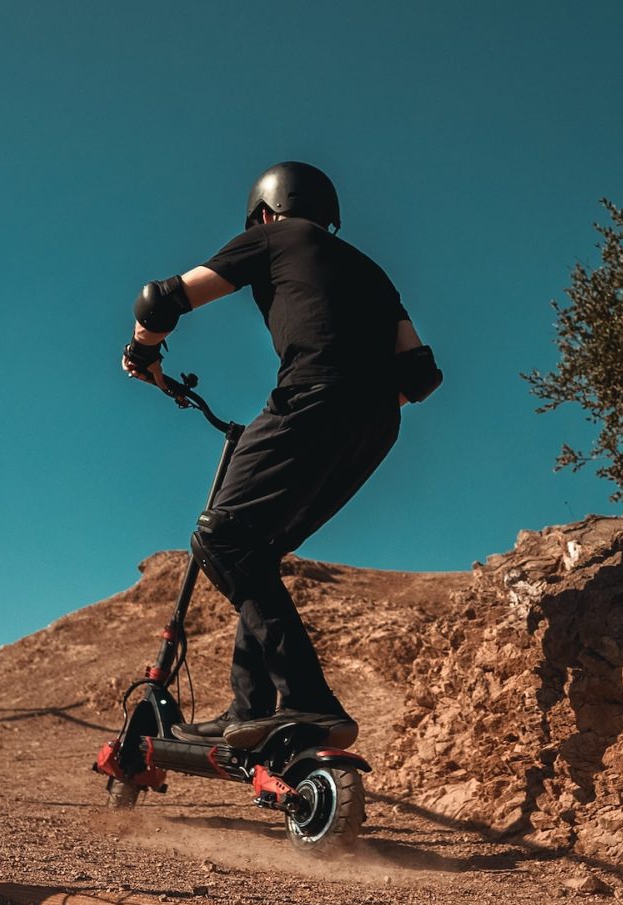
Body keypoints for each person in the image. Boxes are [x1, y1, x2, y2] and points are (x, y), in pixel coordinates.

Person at [121, 161, 441, 750]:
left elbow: (160, 299)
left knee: (220, 539)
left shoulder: (272, 236)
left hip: (311, 399)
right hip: (376, 427)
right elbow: (420, 373)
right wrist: (361, 403)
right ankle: (251, 709)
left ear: (265, 212)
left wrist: (143, 354)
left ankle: (308, 700)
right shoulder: (372, 270)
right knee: (257, 550)